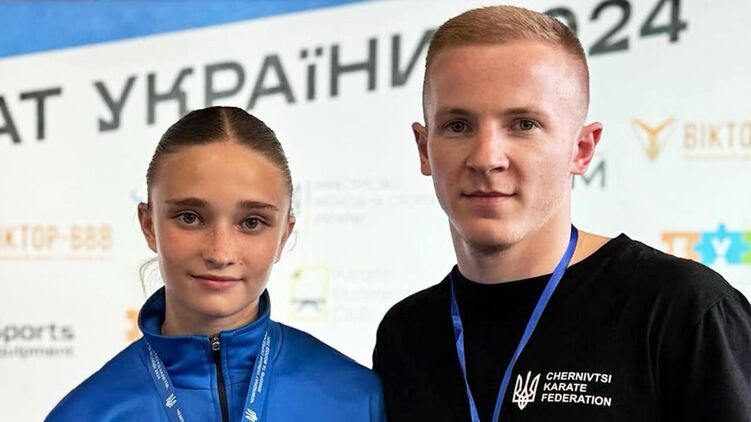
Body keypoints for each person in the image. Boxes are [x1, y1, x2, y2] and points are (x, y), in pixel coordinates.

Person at [373, 5, 751, 422]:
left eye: (524, 125)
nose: (486, 158)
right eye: (458, 126)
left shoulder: (679, 309)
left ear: (581, 149)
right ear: (424, 149)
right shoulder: (406, 334)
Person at [47, 106, 385, 421]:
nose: (220, 253)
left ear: (283, 235)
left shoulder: (356, 399)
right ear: (149, 226)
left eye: (251, 222)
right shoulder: (85, 414)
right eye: (190, 217)